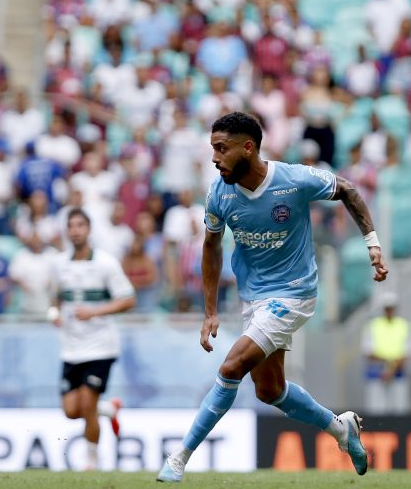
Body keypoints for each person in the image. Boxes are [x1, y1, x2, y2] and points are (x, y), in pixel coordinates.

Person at [157, 112, 388, 482]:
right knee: (270, 390)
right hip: (254, 298)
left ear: (248, 147)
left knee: (232, 367)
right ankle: (341, 429)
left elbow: (346, 188)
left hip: (294, 292)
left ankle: (180, 457)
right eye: (212, 148)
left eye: (222, 148)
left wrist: (372, 244)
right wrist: (210, 311)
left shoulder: (292, 179)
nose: (214, 157)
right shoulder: (219, 192)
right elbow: (211, 246)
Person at [48, 208, 135, 470]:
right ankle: (108, 409)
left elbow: (128, 299)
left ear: (88, 230)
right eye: (71, 226)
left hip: (100, 346)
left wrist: (95, 311)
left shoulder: (106, 263)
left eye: (80, 225)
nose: (75, 230)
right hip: (70, 347)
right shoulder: (59, 264)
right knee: (71, 410)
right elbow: (55, 297)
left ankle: (91, 461)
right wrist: (54, 314)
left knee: (87, 403)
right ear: (67, 231)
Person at [361, 293, 411, 415]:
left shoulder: (405, 325)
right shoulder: (372, 325)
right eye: (387, 308)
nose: (389, 311)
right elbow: (368, 351)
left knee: (400, 409)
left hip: (397, 373)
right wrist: (389, 366)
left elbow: (408, 352)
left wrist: (390, 368)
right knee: (375, 410)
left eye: (391, 308)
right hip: (377, 374)